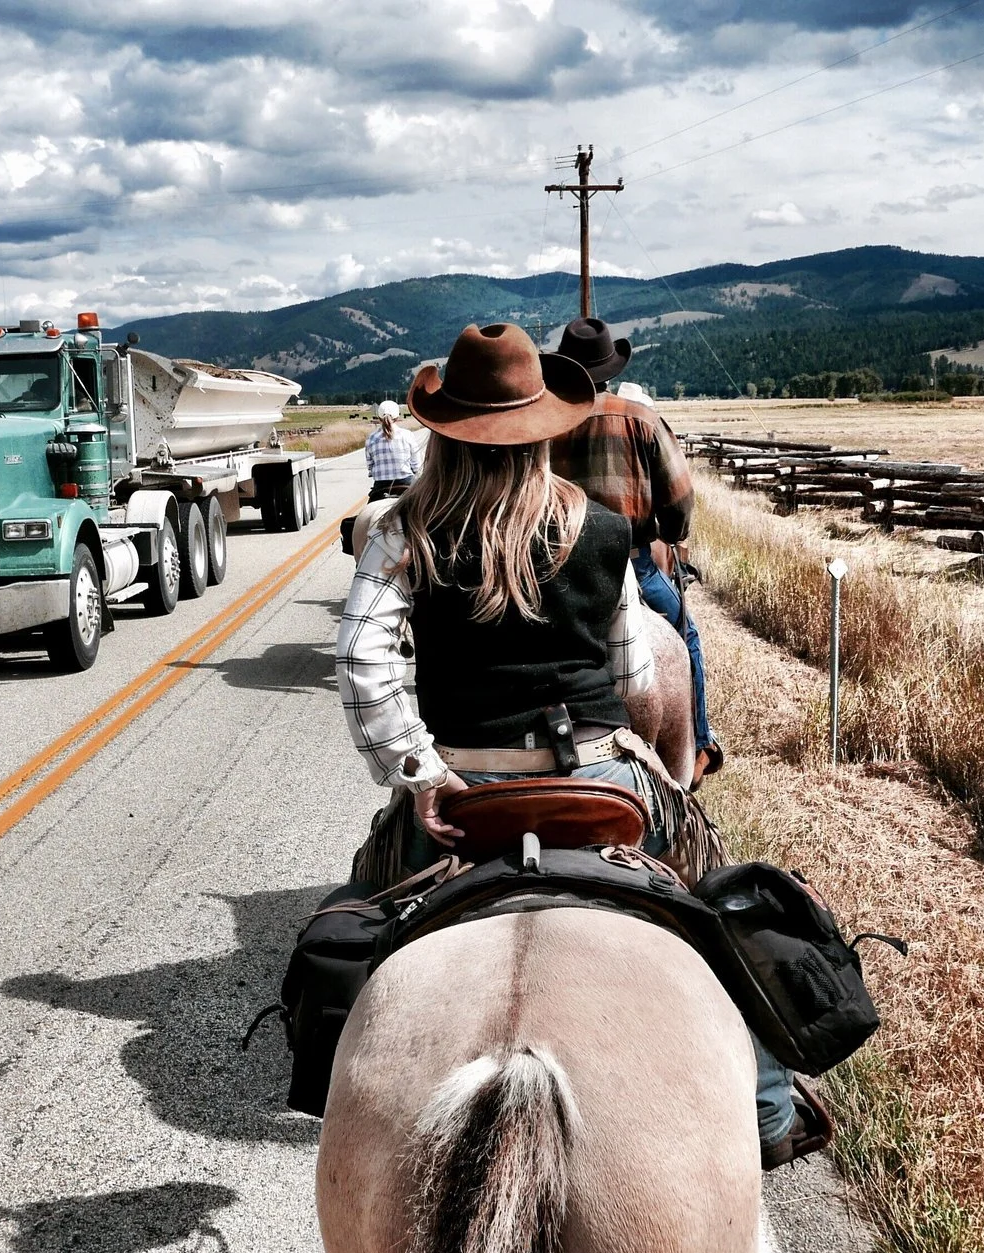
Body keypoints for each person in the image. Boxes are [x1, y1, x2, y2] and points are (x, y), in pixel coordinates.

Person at [334, 321, 796, 1166]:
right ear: (542, 430)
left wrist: (420, 770)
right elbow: (631, 667)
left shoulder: (404, 529)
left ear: (442, 432)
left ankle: (327, 1080)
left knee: (354, 918)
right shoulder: (598, 531)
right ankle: (769, 1105)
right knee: (719, 902)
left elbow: (362, 656)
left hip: (464, 787)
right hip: (593, 775)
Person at [546, 318, 721, 778]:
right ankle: (700, 744)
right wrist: (667, 528)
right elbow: (680, 502)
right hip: (633, 563)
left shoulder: (546, 420)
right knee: (686, 635)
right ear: (609, 369)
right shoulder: (640, 417)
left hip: (550, 566)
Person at [363, 399, 421, 500]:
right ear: (397, 417)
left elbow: (370, 466)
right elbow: (416, 465)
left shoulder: (371, 438)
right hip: (405, 483)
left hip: (381, 486)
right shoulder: (407, 435)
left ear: (379, 417)